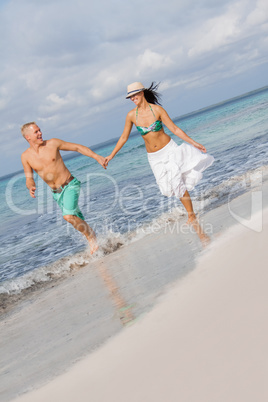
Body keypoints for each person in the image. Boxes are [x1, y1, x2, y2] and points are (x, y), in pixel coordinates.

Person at [105, 82, 214, 244]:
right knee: (166, 188)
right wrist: (111, 155)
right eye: (130, 97)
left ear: (141, 93)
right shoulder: (131, 116)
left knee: (177, 183)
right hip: (154, 157)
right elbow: (123, 137)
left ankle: (191, 215)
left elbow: (175, 129)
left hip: (169, 151)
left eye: (134, 95)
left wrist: (194, 143)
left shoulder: (157, 110)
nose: (132, 98)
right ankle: (190, 211)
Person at [21, 122, 106, 254]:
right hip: (56, 194)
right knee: (76, 219)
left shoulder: (53, 143)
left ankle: (92, 237)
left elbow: (77, 147)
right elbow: (29, 178)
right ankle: (103, 243)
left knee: (68, 216)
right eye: (36, 132)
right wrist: (30, 186)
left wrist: (96, 157)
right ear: (28, 137)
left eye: (40, 130)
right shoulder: (25, 156)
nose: (40, 133)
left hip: (70, 185)